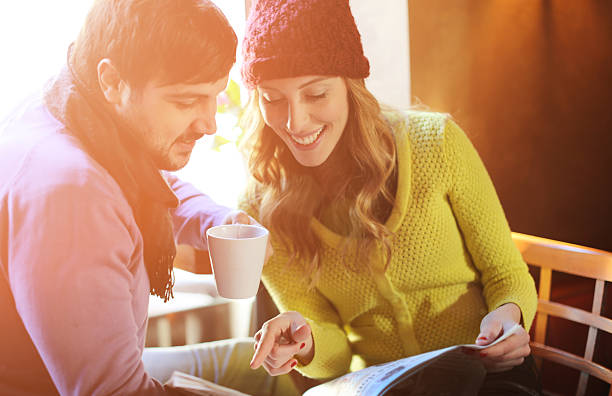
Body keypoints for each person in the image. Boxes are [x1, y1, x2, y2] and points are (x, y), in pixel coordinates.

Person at [239, 0, 541, 394]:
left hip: (488, 380)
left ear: (351, 87)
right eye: (272, 99)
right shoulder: (262, 209)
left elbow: (507, 274)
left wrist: (508, 314)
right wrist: (306, 342)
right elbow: (336, 355)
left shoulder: (438, 144)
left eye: (316, 94)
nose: (295, 122)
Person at [0, 1, 298, 395]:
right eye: (185, 101)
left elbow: (152, 183)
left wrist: (217, 221)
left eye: (215, 96)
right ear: (112, 81)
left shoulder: (71, 107)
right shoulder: (72, 196)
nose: (209, 124)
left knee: (264, 373)